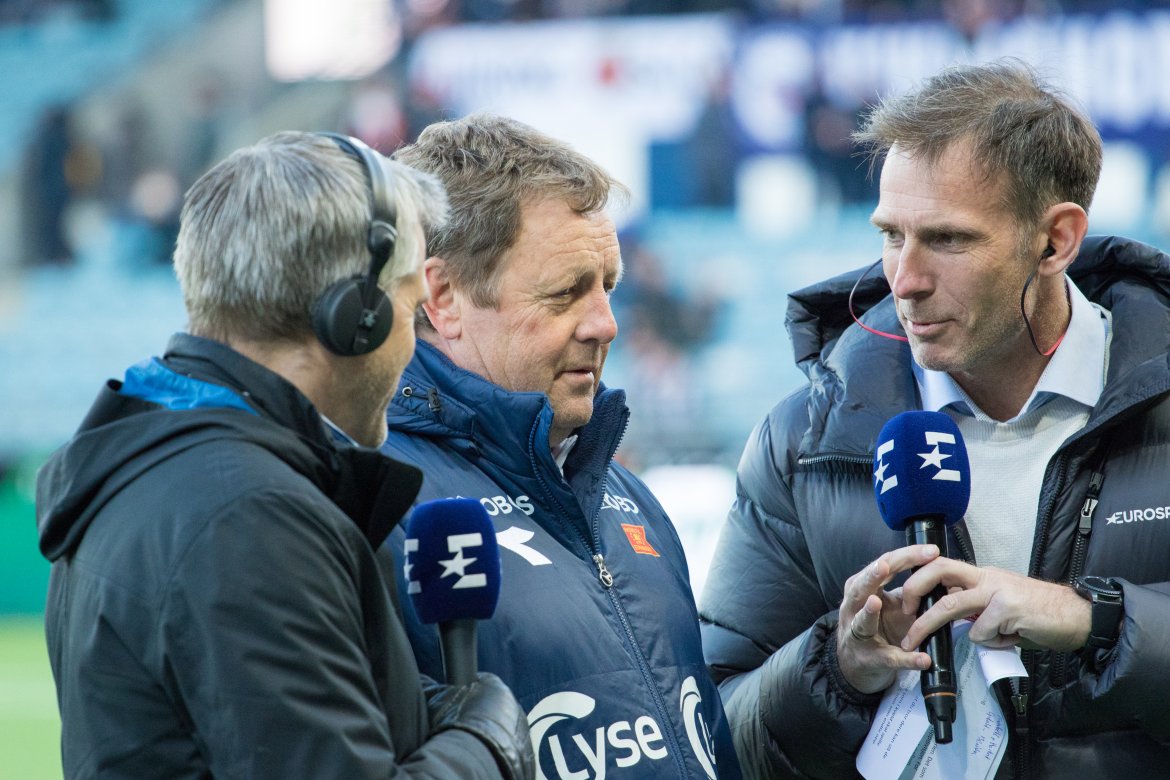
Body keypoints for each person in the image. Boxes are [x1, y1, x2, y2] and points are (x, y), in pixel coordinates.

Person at [699, 59, 1170, 779]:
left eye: (948, 240)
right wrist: (836, 665)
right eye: (891, 234)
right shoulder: (804, 443)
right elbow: (717, 734)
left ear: (1056, 240)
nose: (905, 279)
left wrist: (1093, 618)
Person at [35, 131, 534, 779]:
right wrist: (487, 745)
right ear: (355, 316)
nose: (415, 345)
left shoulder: (164, 471)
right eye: (411, 309)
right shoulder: (249, 514)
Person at [381, 113, 742, 779]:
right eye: (566, 293)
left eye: (608, 284)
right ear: (443, 295)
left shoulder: (628, 498)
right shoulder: (372, 510)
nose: (606, 323)